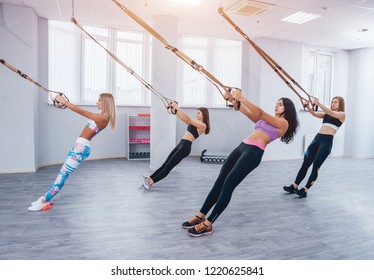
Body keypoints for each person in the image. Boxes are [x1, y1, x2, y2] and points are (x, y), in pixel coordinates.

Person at [183, 89, 299, 237]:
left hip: (253, 152)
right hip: (242, 147)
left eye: (280, 105)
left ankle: (208, 224)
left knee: (228, 184)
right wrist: (233, 100)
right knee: (220, 181)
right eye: (276, 104)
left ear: (287, 109)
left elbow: (261, 113)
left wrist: (241, 97)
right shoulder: (267, 119)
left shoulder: (283, 123)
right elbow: (246, 111)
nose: (276, 106)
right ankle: (201, 214)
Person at [28, 93, 116, 211]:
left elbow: (81, 111)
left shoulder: (103, 118)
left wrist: (64, 101)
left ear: (105, 103)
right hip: (79, 147)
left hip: (80, 149)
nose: (97, 102)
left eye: (99, 100)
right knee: (62, 174)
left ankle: (45, 200)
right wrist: (62, 104)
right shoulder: (101, 116)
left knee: (62, 175)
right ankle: (48, 198)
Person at [283, 96, 345, 198]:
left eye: (335, 102)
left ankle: (305, 190)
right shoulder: (326, 113)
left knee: (316, 166)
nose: (333, 104)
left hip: (326, 142)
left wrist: (319, 104)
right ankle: (294, 186)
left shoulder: (342, 115)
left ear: (341, 104)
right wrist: (308, 107)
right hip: (317, 139)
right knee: (305, 164)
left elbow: (333, 113)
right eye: (332, 102)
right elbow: (316, 114)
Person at [138, 102, 210, 189]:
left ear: (204, 115)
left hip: (185, 146)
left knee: (168, 167)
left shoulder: (203, 125)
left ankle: (150, 183)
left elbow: (188, 119)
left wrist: (177, 107)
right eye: (197, 112)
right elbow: (183, 118)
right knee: (165, 164)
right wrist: (174, 109)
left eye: (199, 113)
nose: (196, 114)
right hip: (181, 144)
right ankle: (149, 178)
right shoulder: (196, 123)